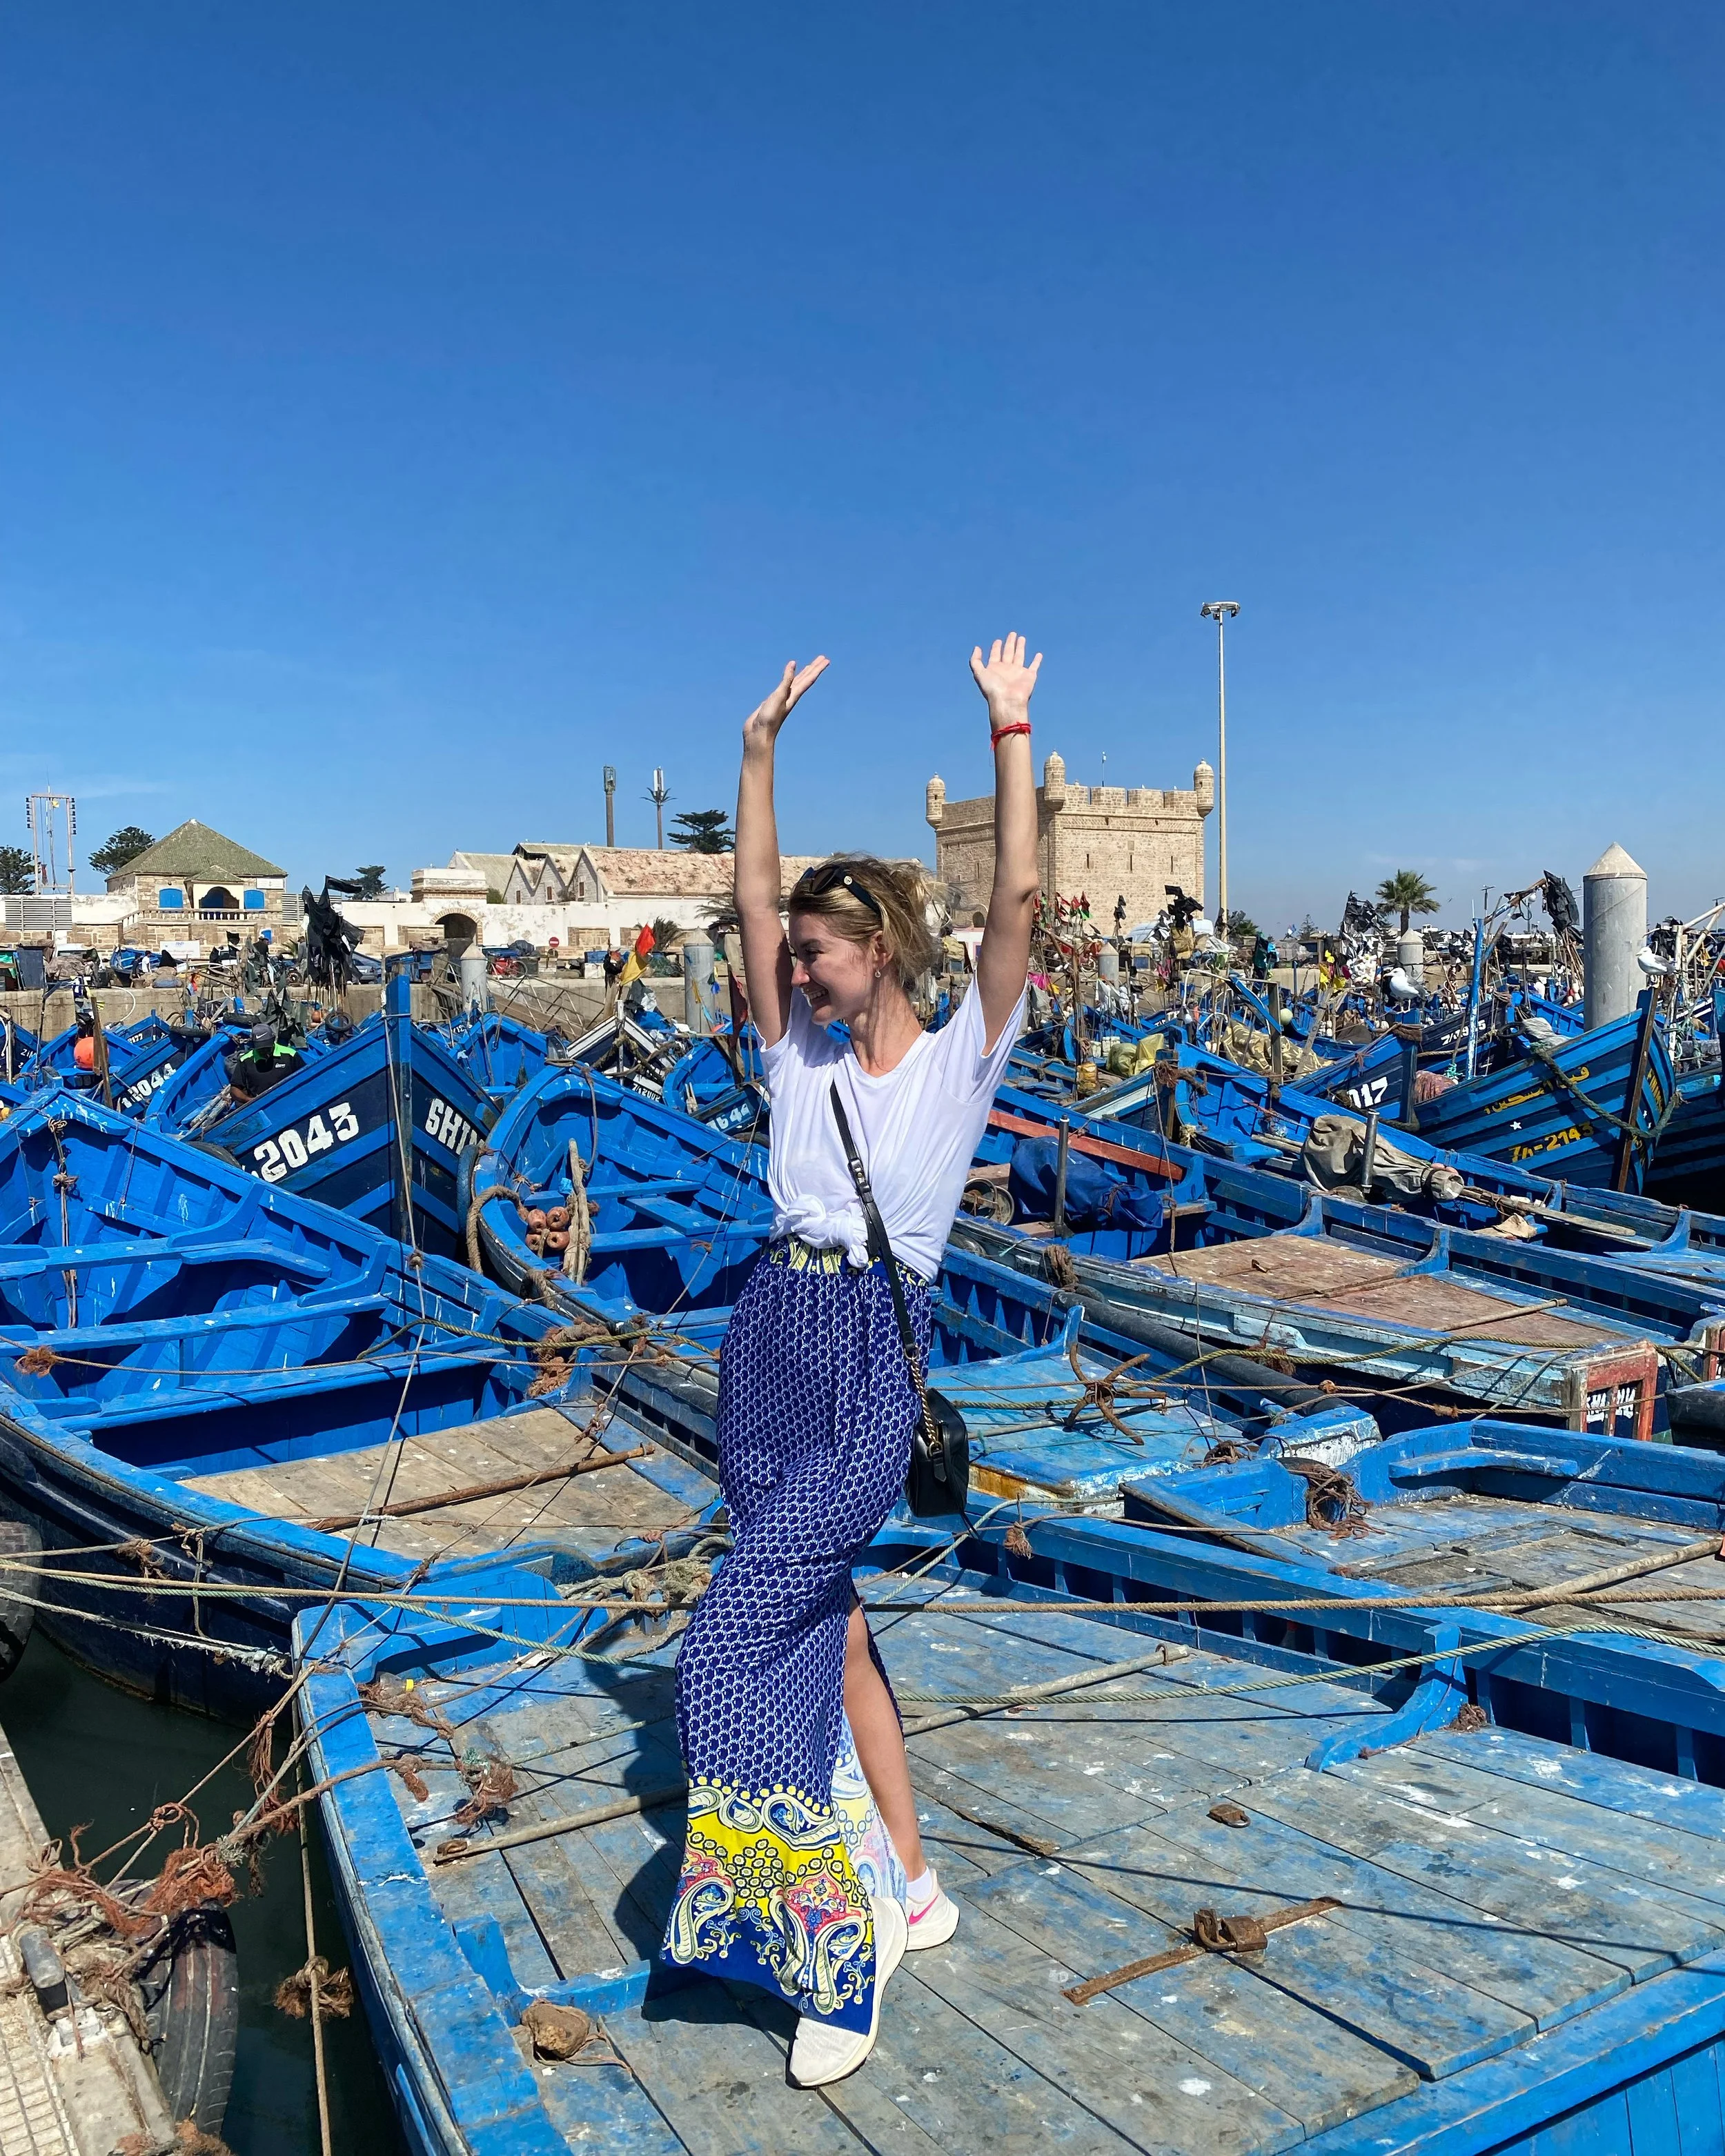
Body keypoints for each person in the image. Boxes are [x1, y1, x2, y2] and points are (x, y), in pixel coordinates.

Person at [660, 634, 1041, 2088]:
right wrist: (757, 750)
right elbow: (750, 894)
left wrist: (1008, 730)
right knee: (827, 1623)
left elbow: (1010, 899)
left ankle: (836, 1953)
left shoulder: (956, 1060)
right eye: (792, 952)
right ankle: (917, 1877)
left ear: (875, 944)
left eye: (817, 948)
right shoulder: (793, 1059)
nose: (791, 962)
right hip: (765, 1345)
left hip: (871, 1362)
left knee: (726, 1636)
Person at [224, 1023, 302, 1100]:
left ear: (273, 1039)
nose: (266, 1053)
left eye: (268, 1048)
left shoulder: (290, 1055)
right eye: (261, 1050)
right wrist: (250, 1100)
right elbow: (235, 1088)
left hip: (290, 1100)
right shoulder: (245, 1061)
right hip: (261, 1105)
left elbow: (304, 1076)